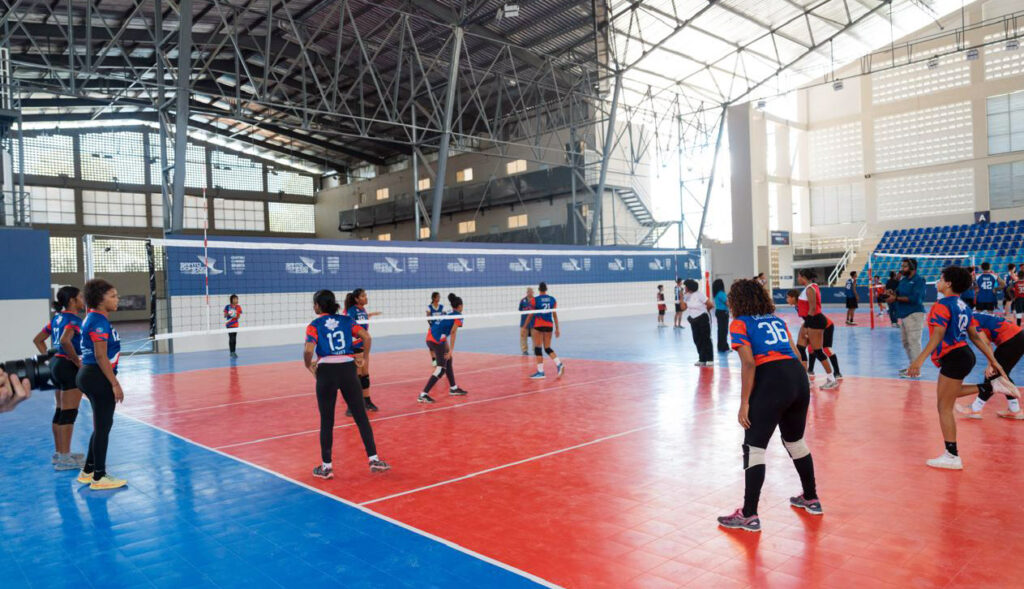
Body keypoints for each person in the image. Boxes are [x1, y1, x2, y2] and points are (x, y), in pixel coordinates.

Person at [716, 279, 820, 533]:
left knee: (754, 448)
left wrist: (744, 403)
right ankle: (811, 498)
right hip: (798, 378)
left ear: (737, 301)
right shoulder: (777, 321)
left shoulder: (740, 323)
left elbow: (749, 363)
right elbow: (797, 355)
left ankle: (749, 515)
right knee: (795, 442)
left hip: (772, 379)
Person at [907, 266, 1010, 470]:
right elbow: (975, 336)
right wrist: (993, 360)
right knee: (946, 397)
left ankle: (952, 456)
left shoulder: (941, 305)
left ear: (948, 283)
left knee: (944, 407)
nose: (938, 282)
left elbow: (938, 335)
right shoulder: (963, 305)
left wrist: (918, 360)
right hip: (964, 355)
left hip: (954, 357)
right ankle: (988, 387)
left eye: (940, 278)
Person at [304, 289, 389, 479]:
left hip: (326, 372)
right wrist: (364, 358)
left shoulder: (314, 325)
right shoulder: (346, 320)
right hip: (348, 370)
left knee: (327, 421)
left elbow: (309, 350)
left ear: (318, 305)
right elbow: (366, 337)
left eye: (314, 304)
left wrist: (308, 365)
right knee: (361, 417)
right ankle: (374, 459)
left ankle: (326, 468)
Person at [75, 279, 126, 490]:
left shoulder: (95, 318)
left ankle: (88, 471)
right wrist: (115, 384)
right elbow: (100, 356)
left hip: (89, 375)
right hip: (97, 377)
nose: (117, 299)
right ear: (100, 299)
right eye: (112, 296)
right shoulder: (98, 321)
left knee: (101, 426)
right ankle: (99, 477)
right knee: (103, 428)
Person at [32, 286, 86, 471]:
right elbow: (64, 340)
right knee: (69, 413)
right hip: (67, 367)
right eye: (80, 297)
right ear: (72, 300)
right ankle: (64, 459)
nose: (83, 300)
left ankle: (60, 453)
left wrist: (49, 356)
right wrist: (77, 361)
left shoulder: (57, 318)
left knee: (60, 410)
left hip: (55, 365)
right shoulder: (74, 320)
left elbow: (38, 339)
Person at [956, 311, 1024, 420]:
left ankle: (975, 409)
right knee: (1000, 375)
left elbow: (985, 343)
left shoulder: (971, 321)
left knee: (993, 375)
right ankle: (1014, 409)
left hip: (1012, 340)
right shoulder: (972, 316)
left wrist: (990, 364)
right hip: (1016, 337)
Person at [418, 294, 468, 403]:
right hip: (436, 341)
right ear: (460, 306)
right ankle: (423, 394)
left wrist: (448, 350)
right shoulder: (458, 315)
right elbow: (453, 332)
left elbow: (441, 328)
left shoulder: (448, 312)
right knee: (441, 369)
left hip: (432, 337)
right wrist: (451, 350)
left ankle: (453, 388)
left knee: (449, 359)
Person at [796, 270, 838, 389]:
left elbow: (813, 308)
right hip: (810, 320)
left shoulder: (810, 289)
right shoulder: (810, 287)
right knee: (800, 348)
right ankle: (805, 379)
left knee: (818, 351)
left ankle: (831, 379)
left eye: (799, 276)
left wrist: (807, 325)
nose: (798, 278)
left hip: (815, 321)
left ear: (803, 277)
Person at [344, 289, 382, 415]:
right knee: (356, 377)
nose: (366, 297)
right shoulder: (352, 310)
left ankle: (367, 401)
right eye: (363, 296)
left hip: (363, 345)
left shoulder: (363, 310)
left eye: (365, 295)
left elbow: (363, 320)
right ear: (356, 299)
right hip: (355, 346)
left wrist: (371, 314)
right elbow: (348, 326)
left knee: (365, 374)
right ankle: (351, 406)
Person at [888, 259, 926, 378]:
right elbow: (898, 293)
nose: (902, 269)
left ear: (912, 268)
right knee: (906, 342)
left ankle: (916, 371)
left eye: (904, 266)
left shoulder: (919, 280)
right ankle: (912, 366)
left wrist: (896, 298)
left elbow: (916, 299)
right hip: (904, 315)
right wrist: (892, 293)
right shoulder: (903, 280)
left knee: (914, 342)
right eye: (902, 266)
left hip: (915, 314)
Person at [529, 282, 564, 379]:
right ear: (546, 289)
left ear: (539, 289)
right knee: (547, 348)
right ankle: (559, 364)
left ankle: (540, 372)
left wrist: (525, 325)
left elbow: (531, 314)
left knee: (538, 348)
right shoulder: (552, 299)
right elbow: (555, 315)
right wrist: (557, 328)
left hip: (538, 325)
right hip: (549, 325)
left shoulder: (535, 300)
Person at [683, 279, 714, 366]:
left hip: (702, 318)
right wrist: (681, 297)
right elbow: (683, 308)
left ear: (689, 287)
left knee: (706, 338)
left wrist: (704, 311)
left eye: (685, 286)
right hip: (693, 320)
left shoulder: (700, 294)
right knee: (697, 339)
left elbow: (710, 304)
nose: (684, 288)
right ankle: (702, 359)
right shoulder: (687, 296)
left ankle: (710, 359)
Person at [427, 292, 445, 365]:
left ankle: (441, 358)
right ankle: (434, 360)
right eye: (438, 297)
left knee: (441, 344)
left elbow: (444, 316)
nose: (439, 298)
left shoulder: (442, 307)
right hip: (432, 329)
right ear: (434, 298)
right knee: (431, 346)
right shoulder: (429, 307)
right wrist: (432, 326)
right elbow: (428, 318)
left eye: (439, 296)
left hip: (440, 329)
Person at [712, 279, 729, 351]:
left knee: (721, 330)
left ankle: (721, 346)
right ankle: (723, 347)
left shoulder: (716, 293)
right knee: (724, 330)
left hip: (719, 312)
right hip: (723, 313)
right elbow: (727, 303)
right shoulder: (721, 293)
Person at [224, 294, 242, 359]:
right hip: (229, 324)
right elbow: (225, 315)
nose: (236, 300)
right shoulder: (227, 306)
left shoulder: (238, 307)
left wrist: (235, 314)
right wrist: (229, 314)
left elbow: (239, 316)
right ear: (232, 300)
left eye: (237, 299)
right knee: (231, 338)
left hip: (235, 324)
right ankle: (231, 352)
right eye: (235, 299)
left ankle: (234, 351)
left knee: (234, 338)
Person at [518, 287, 535, 354]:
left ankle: (535, 350)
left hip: (533, 322)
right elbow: (520, 309)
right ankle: (524, 350)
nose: (530, 293)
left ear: (533, 292)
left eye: (531, 291)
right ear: (527, 292)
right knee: (523, 337)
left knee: (535, 337)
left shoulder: (535, 300)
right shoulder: (523, 300)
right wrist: (526, 309)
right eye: (529, 291)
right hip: (524, 322)